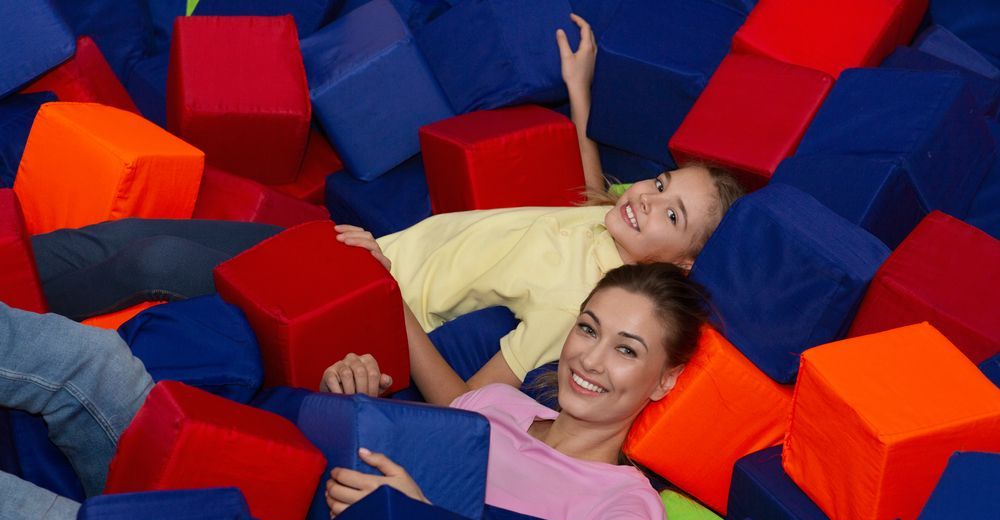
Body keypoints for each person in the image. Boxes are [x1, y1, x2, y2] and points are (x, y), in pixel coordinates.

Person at [27, 13, 743, 386]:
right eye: (657, 183)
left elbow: (469, 401)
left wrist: (383, 296)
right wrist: (581, 89)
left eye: (670, 213)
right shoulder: (609, 218)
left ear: (681, 266)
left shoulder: (585, 304)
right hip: (357, 253)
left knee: (154, 257)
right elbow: (597, 182)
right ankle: (16, 273)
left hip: (358, 303)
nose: (646, 200)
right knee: (141, 234)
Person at [319, 262, 709, 520]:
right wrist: (351, 400)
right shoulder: (496, 403)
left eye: (625, 350)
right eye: (588, 329)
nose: (590, 360)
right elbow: (399, 456)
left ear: (664, 380)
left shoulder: (626, 501)